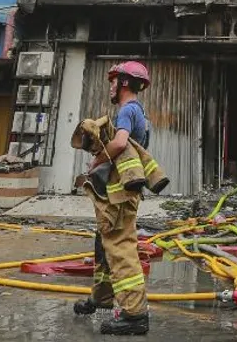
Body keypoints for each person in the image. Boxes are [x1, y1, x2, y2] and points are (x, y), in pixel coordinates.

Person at [72, 61, 163, 336]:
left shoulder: (127, 110)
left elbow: (120, 142)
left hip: (121, 196)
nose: (110, 86)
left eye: (113, 81)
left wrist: (96, 160)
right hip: (119, 193)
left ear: (124, 82)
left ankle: (135, 314)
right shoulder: (138, 112)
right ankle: (101, 297)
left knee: (121, 248)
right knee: (104, 245)